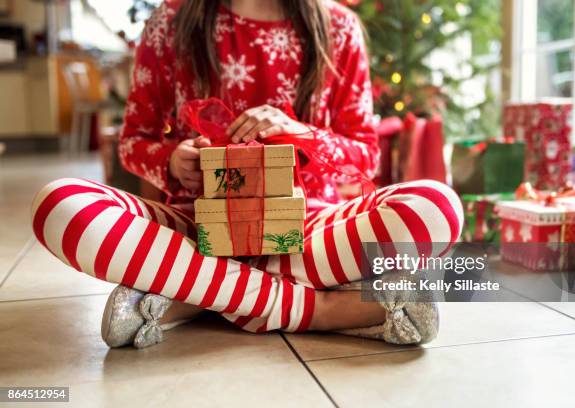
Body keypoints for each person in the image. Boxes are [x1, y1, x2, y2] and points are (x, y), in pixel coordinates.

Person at [31, 0, 463, 348]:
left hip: (307, 230)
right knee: (60, 206)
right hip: (197, 229)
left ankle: (194, 296)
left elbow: (364, 156)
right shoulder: (170, 21)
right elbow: (132, 142)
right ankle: (326, 310)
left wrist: (301, 133)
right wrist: (172, 159)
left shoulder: (340, 27)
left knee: (436, 208)